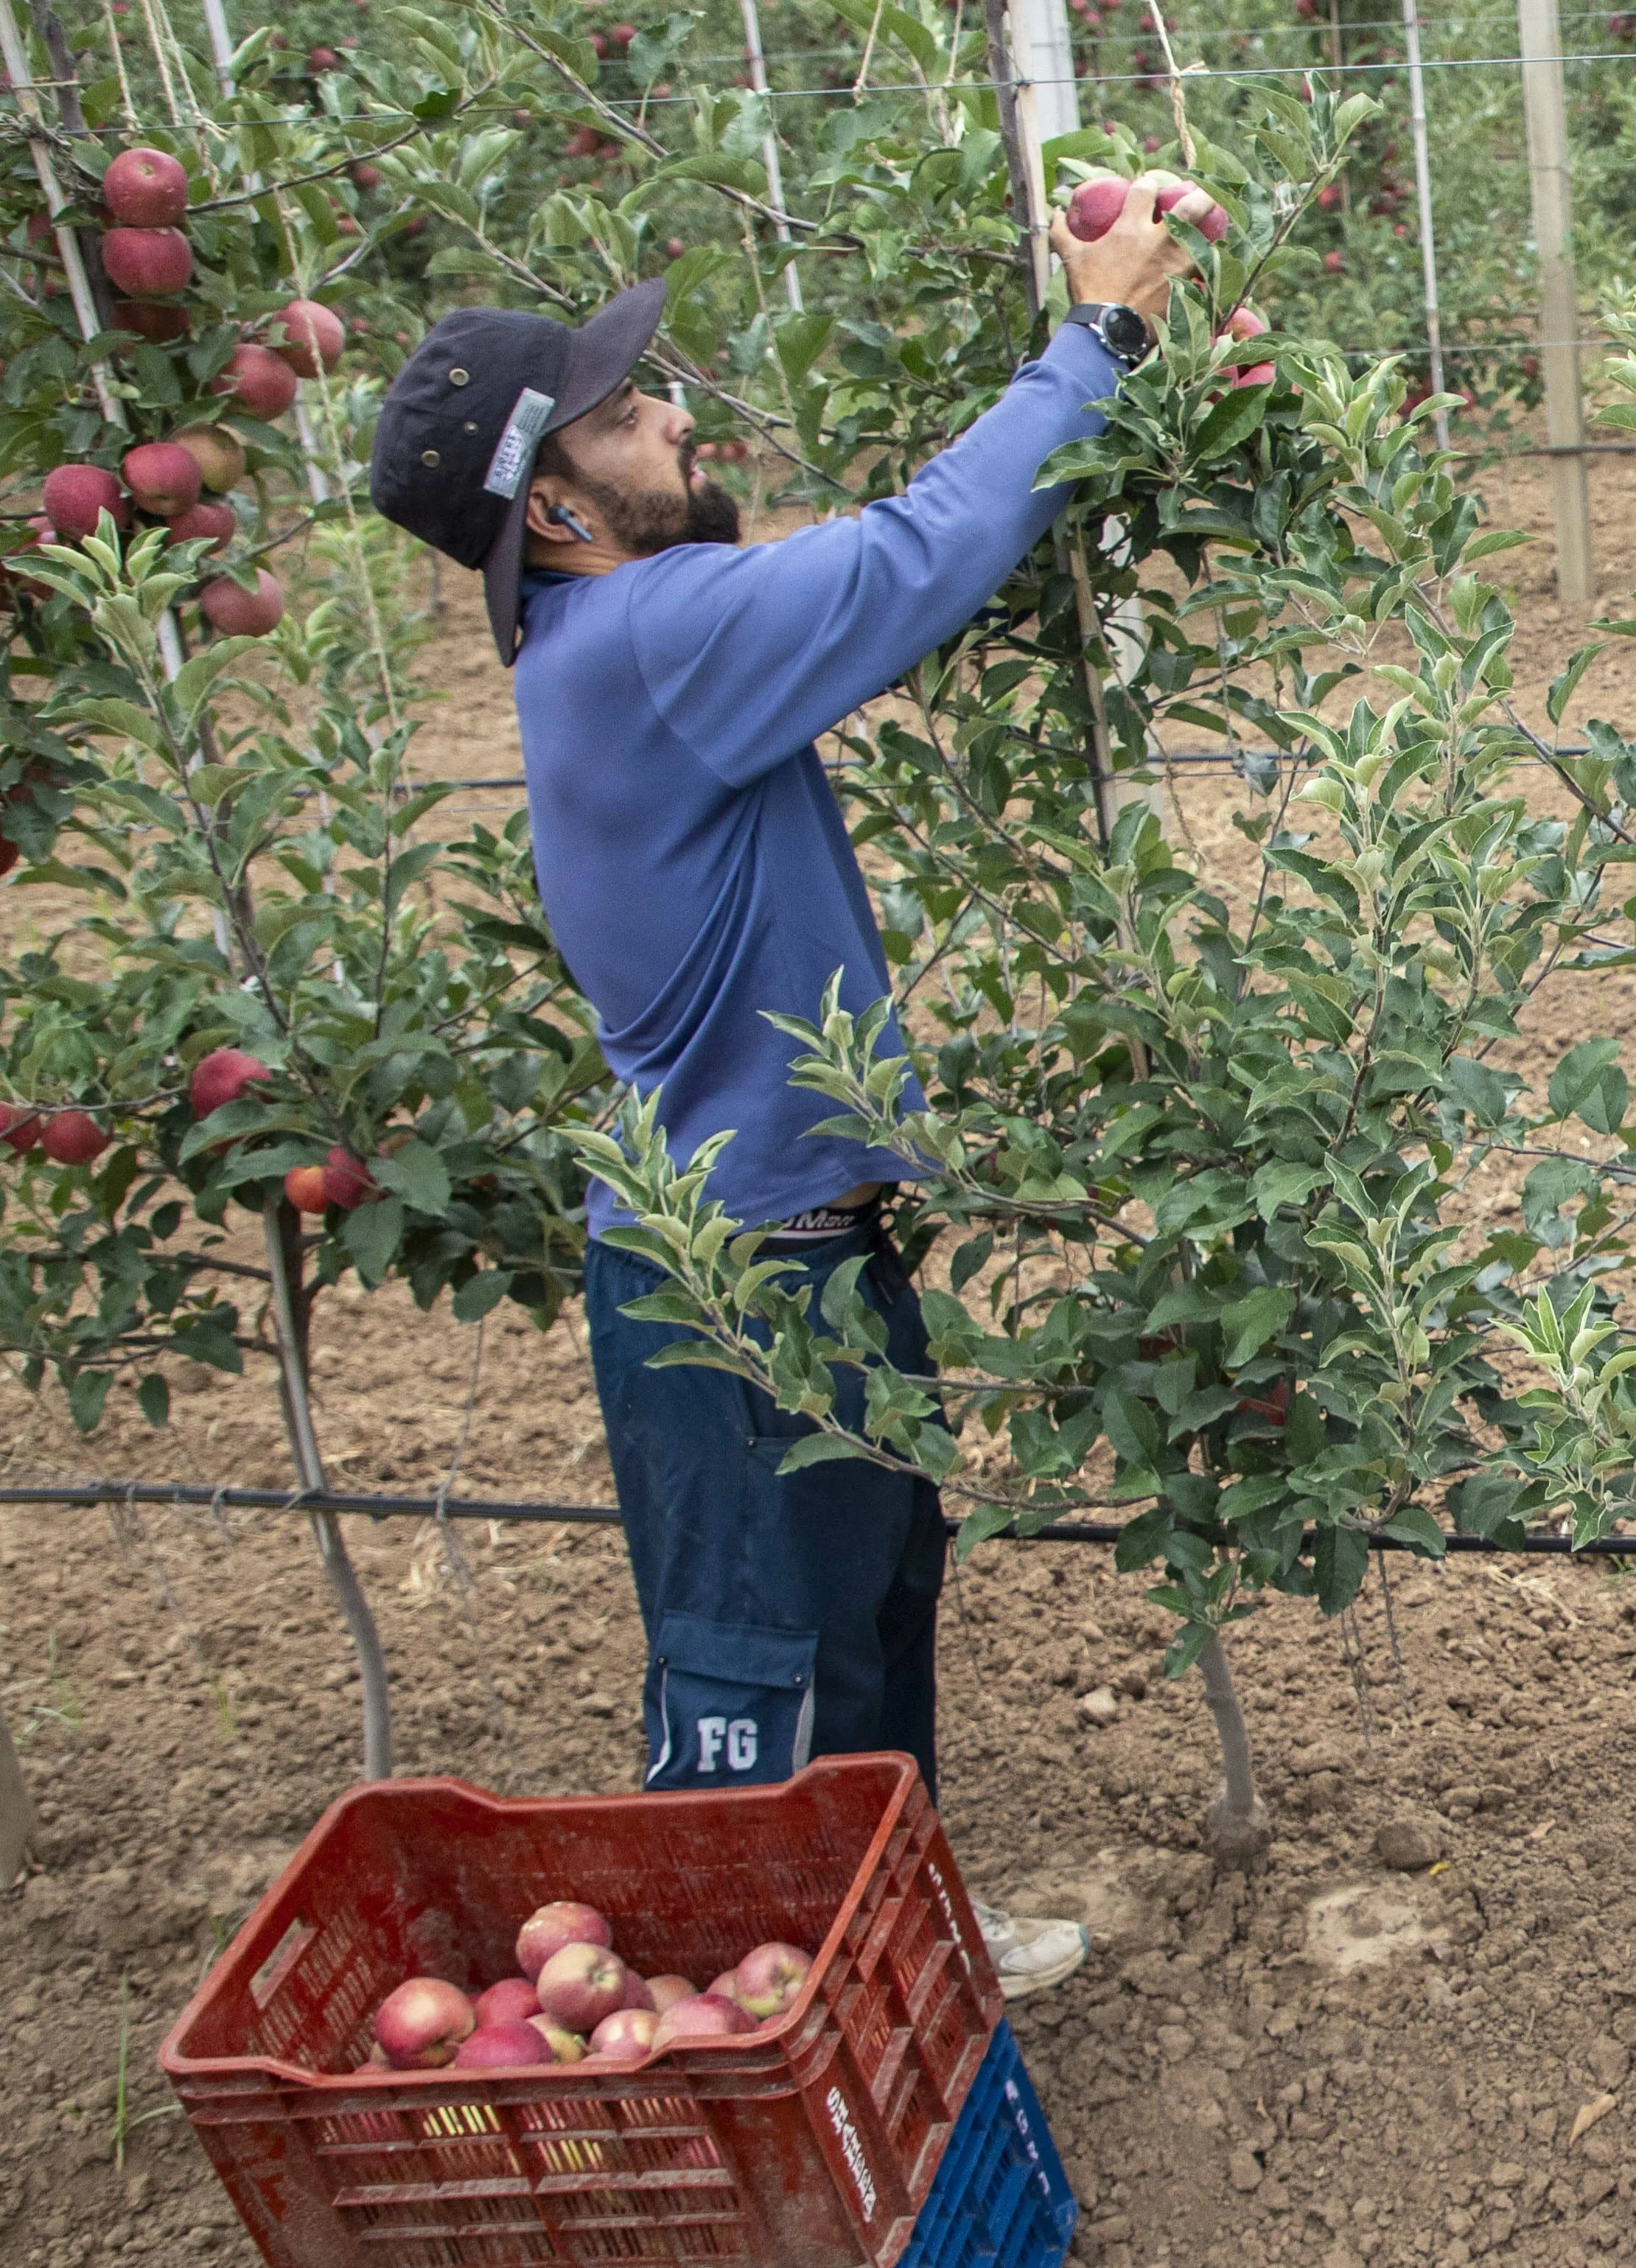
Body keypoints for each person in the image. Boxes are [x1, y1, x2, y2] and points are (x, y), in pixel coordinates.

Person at [363, 187, 1214, 1999]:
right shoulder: (647, 639)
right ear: (561, 511)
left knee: (873, 1619)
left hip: (803, 1244)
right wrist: (1105, 334)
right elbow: (920, 552)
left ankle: (891, 1956)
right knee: (755, 1678)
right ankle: (751, 2027)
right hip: (725, 1286)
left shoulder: (624, 647)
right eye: (623, 413)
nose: (676, 409)